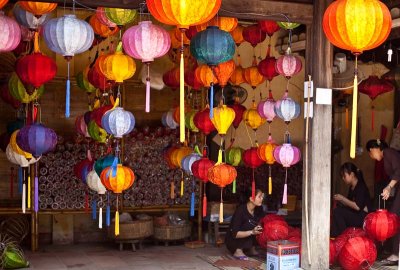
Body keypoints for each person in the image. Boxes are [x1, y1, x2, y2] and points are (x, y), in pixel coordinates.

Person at [366, 139, 400, 266]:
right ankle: (396, 253)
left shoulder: (389, 152)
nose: (371, 156)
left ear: (375, 149)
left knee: (395, 218)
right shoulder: (387, 155)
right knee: (395, 218)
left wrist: (389, 187)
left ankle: (396, 254)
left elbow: (399, 171)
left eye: (370, 153)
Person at [331, 162, 372, 237]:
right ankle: (338, 236)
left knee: (338, 212)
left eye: (344, 176)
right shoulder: (352, 187)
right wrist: (340, 200)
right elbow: (350, 204)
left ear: (352, 175)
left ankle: (342, 237)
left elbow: (357, 207)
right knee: (338, 209)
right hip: (357, 215)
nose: (343, 178)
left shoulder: (361, 187)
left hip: (363, 217)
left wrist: (342, 198)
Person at [225, 188, 265, 260]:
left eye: (262, 196)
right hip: (234, 240)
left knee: (259, 226)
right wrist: (252, 232)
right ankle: (238, 250)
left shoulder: (259, 208)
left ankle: (251, 248)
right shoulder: (240, 211)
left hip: (249, 237)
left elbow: (260, 222)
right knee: (248, 224)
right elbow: (235, 234)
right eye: (259, 196)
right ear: (251, 199)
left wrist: (259, 227)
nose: (262, 198)